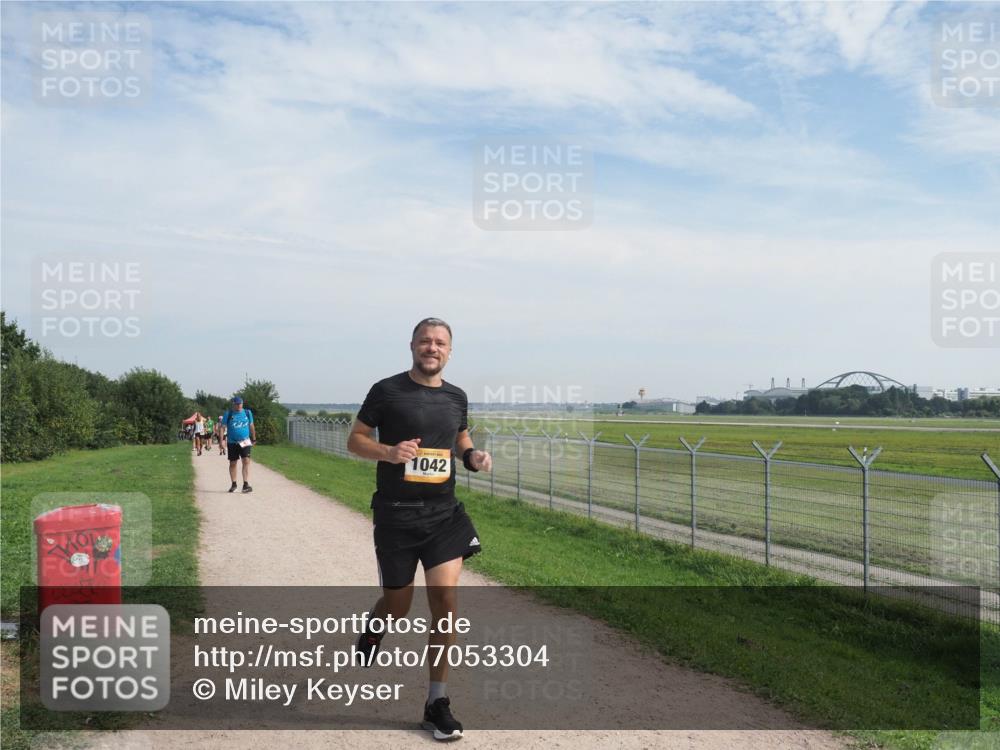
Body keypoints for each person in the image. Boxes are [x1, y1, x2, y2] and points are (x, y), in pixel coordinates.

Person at [347, 317, 491, 742]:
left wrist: (472, 458)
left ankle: (436, 702)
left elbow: (459, 437)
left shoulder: (456, 396)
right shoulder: (386, 390)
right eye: (425, 341)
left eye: (440, 342)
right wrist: (389, 452)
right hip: (395, 515)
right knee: (399, 605)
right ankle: (377, 623)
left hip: (443, 515)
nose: (433, 347)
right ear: (412, 345)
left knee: (445, 600)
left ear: (450, 351)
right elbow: (355, 440)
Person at [222, 397, 256, 493]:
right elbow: (222, 427)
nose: (239, 405)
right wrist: (221, 440)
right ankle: (234, 484)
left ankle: (245, 484)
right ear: (233, 404)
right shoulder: (228, 414)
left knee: (246, 460)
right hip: (232, 442)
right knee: (233, 463)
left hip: (245, 441)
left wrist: (254, 438)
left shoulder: (247, 413)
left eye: (240, 403)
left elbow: (251, 425)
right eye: (237, 404)